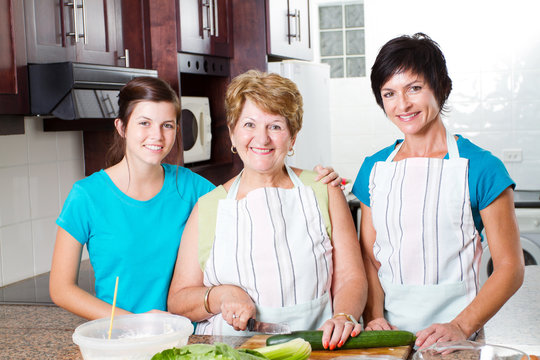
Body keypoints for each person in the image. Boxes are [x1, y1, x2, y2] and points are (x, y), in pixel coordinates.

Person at [49, 76, 343, 320]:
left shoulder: (194, 189)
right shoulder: (86, 196)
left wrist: (319, 181)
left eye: (168, 125)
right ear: (122, 127)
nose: (157, 135)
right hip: (120, 336)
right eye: (144, 123)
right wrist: (134, 324)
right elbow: (61, 289)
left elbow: (252, 200)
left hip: (185, 337)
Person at [167, 70, 367, 350]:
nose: (261, 139)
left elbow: (351, 276)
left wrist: (343, 315)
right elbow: (178, 300)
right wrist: (220, 296)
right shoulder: (209, 207)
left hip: (319, 350)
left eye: (275, 126)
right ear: (233, 134)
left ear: (293, 137)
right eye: (249, 124)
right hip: (232, 352)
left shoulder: (324, 190)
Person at [352, 33, 524, 349]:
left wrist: (460, 325)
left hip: (458, 338)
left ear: (440, 87)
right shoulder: (373, 169)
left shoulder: (482, 167)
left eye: (414, 88)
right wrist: (373, 316)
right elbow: (369, 256)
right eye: (389, 93)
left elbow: (510, 267)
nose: (401, 104)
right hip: (388, 335)